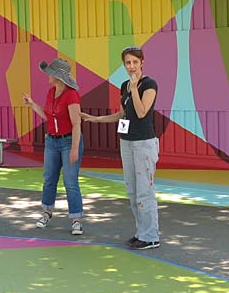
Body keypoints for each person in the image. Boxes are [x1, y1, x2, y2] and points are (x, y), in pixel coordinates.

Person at [81, 46, 160, 250]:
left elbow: (142, 112)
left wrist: (135, 88)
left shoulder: (149, 84)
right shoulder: (124, 85)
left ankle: (151, 236)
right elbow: (123, 114)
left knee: (145, 191)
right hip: (127, 142)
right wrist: (96, 119)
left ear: (142, 62)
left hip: (143, 143)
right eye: (127, 63)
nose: (131, 66)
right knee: (132, 191)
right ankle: (141, 232)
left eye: (135, 62)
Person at [22, 58, 85, 236]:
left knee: (70, 181)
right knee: (49, 178)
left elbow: (76, 124)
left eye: (50, 73)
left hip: (68, 141)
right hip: (51, 141)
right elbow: (49, 116)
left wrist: (74, 148)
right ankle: (47, 212)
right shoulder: (51, 92)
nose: (47, 76)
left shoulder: (71, 95)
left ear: (58, 77)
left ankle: (76, 220)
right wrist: (33, 104)